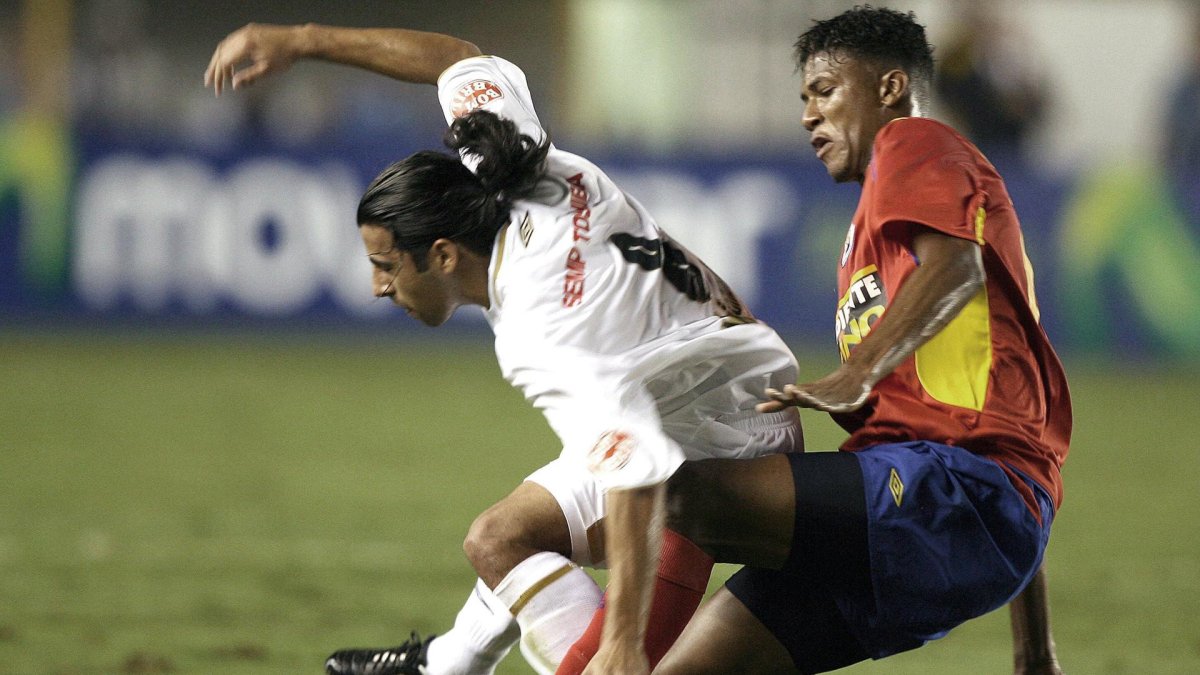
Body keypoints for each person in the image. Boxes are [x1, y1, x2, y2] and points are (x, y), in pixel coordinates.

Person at [204, 23, 803, 675]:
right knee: (498, 538)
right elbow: (459, 61)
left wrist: (623, 640)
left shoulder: (543, 328)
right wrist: (301, 39)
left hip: (726, 451)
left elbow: (637, 470)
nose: (377, 286)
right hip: (699, 398)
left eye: (385, 264)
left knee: (606, 663)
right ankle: (446, 664)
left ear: (441, 254)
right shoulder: (513, 166)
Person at [619, 7, 1068, 673]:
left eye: (825, 91)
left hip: (957, 497)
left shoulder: (915, 143)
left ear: (890, 89)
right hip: (943, 525)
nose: (808, 115)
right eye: (804, 98)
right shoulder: (872, 237)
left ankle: (598, 652)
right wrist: (1033, 649)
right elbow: (1015, 429)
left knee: (674, 492)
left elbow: (955, 269)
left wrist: (857, 370)